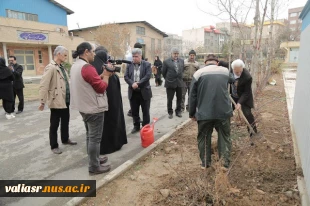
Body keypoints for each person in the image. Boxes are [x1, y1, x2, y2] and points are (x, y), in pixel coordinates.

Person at [70, 42, 114, 175]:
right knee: (95, 138)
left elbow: (88, 81)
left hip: (83, 107)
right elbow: (101, 87)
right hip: (93, 108)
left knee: (90, 136)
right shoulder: (87, 67)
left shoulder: (76, 65)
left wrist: (101, 76)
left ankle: (94, 159)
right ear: (86, 52)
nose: (94, 54)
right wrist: (106, 76)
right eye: (93, 51)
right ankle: (94, 167)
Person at [189, 54, 234, 169]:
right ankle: (224, 164)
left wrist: (192, 113)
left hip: (204, 113)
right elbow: (233, 80)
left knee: (204, 137)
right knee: (224, 136)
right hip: (223, 112)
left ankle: (205, 164)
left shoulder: (198, 73)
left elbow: (192, 96)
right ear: (217, 62)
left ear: (205, 63)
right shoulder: (224, 71)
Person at [38, 46, 77, 154]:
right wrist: (42, 101)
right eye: (64, 55)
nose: (65, 57)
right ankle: (54, 145)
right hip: (56, 100)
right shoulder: (51, 67)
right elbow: (44, 85)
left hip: (65, 100)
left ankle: (65, 139)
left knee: (65, 121)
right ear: (58, 54)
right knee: (54, 124)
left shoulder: (62, 67)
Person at [91, 48, 128, 155]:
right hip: (109, 102)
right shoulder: (101, 69)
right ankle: (111, 145)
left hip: (106, 101)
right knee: (110, 124)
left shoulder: (96, 67)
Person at [124, 48, 152, 134]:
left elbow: (148, 76)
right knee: (134, 111)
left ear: (140, 56)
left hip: (144, 92)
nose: (134, 58)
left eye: (136, 56)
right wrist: (132, 83)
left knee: (145, 111)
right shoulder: (129, 65)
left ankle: (146, 127)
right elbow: (126, 76)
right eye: (133, 56)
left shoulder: (147, 64)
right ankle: (136, 126)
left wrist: (138, 83)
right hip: (133, 92)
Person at [230, 59, 258, 137]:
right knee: (227, 112)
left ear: (243, 68)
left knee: (248, 114)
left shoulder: (247, 77)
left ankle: (253, 132)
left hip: (244, 97)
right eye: (236, 72)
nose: (239, 73)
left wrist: (239, 103)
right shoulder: (230, 72)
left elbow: (246, 92)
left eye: (240, 71)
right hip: (233, 95)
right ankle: (225, 131)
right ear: (233, 69)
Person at [162, 47, 184, 119]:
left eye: (177, 53)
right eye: (175, 53)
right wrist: (168, 79)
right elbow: (163, 73)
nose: (176, 55)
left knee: (179, 98)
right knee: (170, 99)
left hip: (179, 83)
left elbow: (182, 70)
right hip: (170, 83)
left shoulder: (181, 61)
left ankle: (178, 111)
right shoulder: (166, 62)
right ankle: (170, 112)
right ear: (171, 54)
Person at [127, 42, 144, 117]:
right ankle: (132, 112)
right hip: (133, 84)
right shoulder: (131, 59)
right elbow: (127, 75)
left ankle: (132, 112)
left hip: (139, 85)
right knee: (134, 102)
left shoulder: (141, 59)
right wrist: (132, 83)